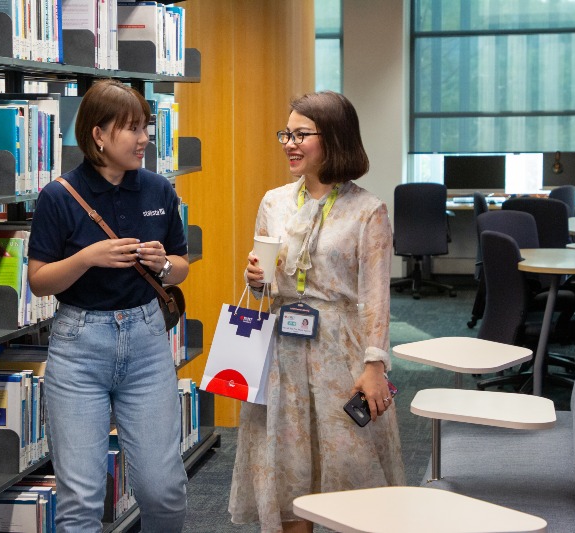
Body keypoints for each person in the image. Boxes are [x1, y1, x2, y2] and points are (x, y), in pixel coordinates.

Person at [228, 91, 406, 533]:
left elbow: (376, 298)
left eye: (301, 134)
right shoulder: (274, 203)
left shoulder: (368, 211)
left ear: (335, 138)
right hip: (282, 352)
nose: (289, 142)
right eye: (286, 133)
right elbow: (266, 283)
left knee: (351, 468)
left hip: (339, 352)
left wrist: (374, 366)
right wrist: (256, 279)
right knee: (289, 469)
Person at [27, 79, 189, 532]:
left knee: (163, 488)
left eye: (146, 129)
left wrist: (164, 264)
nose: (143, 140)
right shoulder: (58, 196)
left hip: (146, 342)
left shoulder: (159, 190)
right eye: (132, 129)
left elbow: (181, 267)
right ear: (98, 135)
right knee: (80, 498)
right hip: (80, 345)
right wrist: (85, 259)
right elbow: (39, 282)